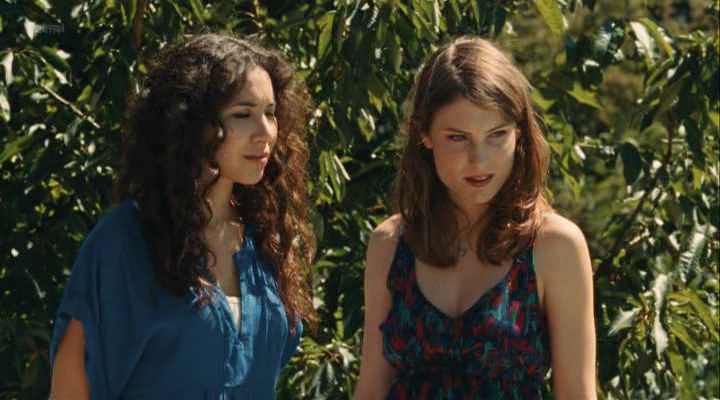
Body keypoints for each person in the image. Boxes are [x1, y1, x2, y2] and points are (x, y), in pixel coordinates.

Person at [49, 33, 315, 400]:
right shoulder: (123, 242)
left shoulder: (266, 239)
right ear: (190, 122)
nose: (266, 132)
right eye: (243, 114)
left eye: (270, 113)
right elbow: (70, 392)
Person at [353, 36, 596, 399]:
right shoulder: (390, 244)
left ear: (519, 133)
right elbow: (372, 387)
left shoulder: (555, 245)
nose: (479, 160)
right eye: (458, 138)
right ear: (425, 134)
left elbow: (576, 393)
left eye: (496, 135)